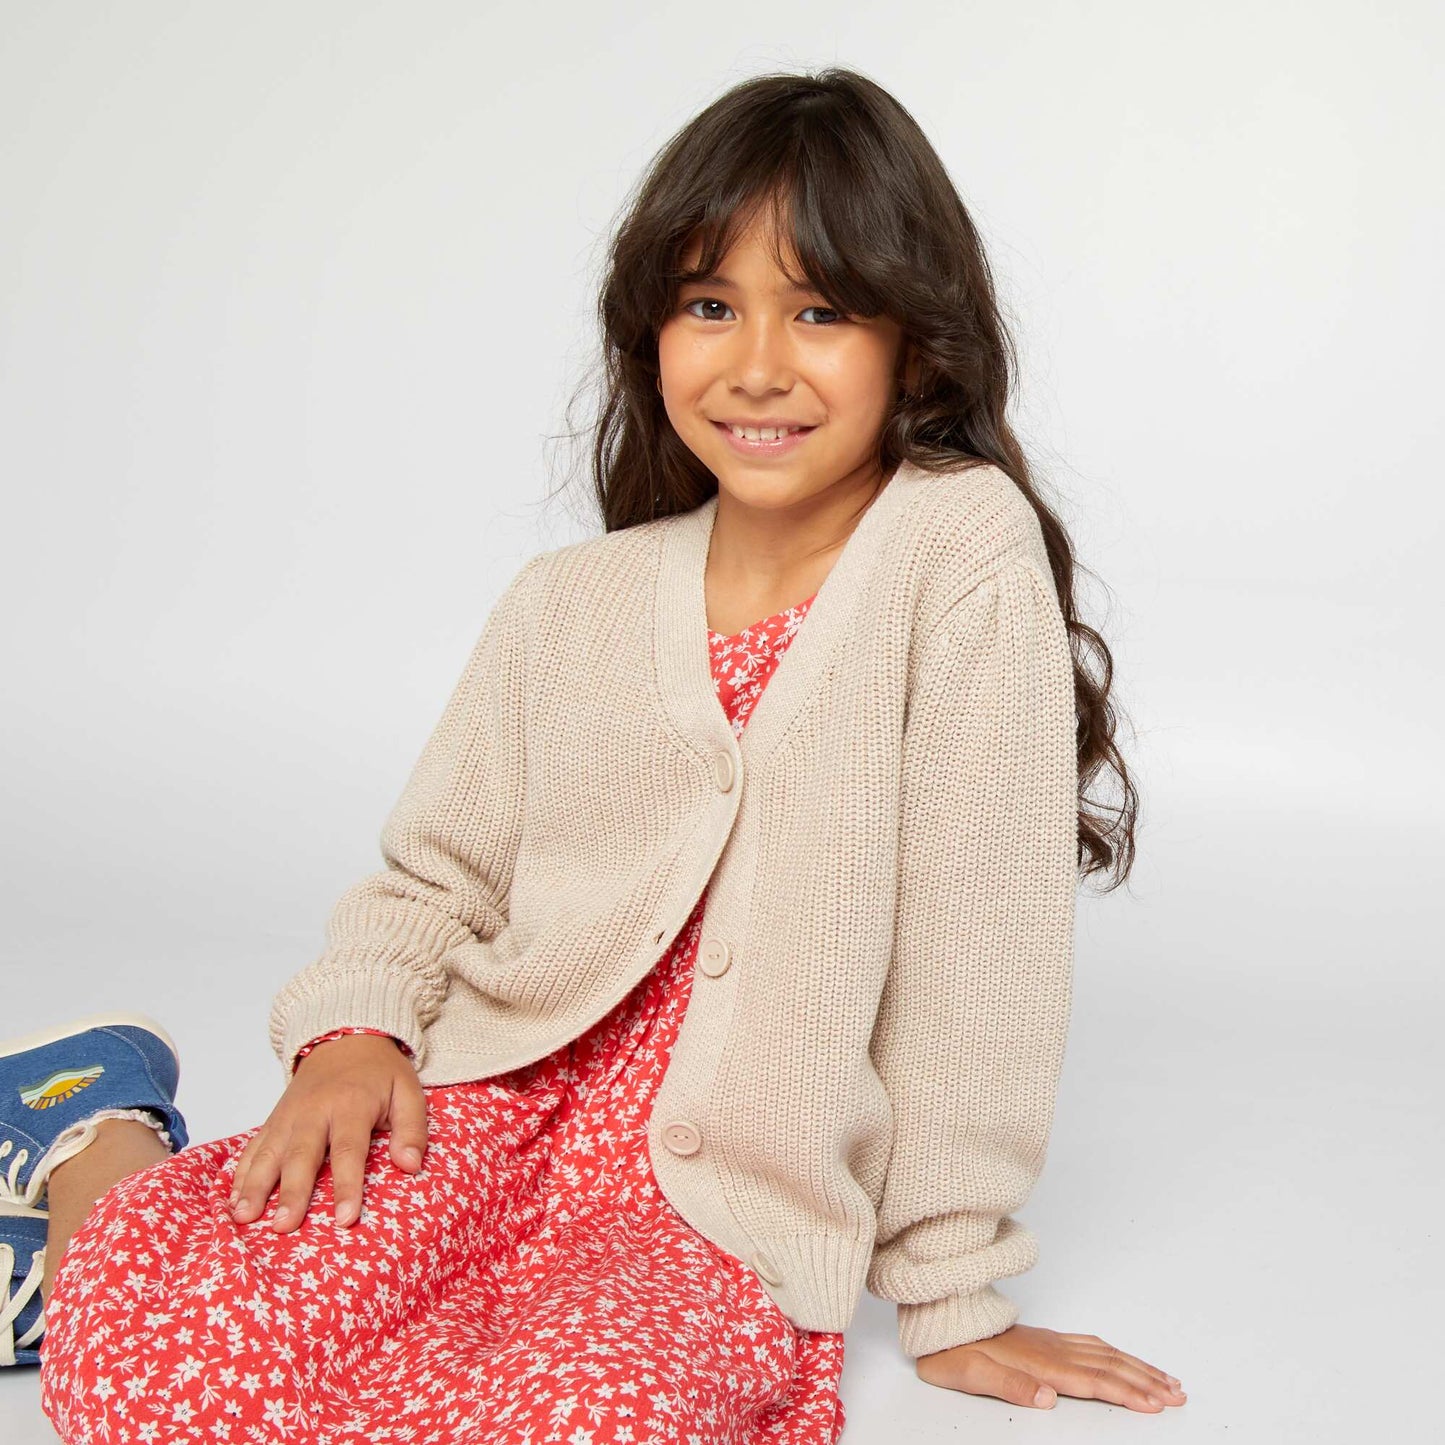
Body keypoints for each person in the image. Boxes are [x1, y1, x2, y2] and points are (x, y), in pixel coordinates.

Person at [1, 66, 1185, 1442]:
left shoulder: (953, 546)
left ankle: (84, 1189)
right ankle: (92, 1125)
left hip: (707, 1207)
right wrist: (351, 1033)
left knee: (578, 1420)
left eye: (819, 311)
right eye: (709, 306)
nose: (756, 364)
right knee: (155, 1368)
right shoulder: (570, 601)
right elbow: (437, 874)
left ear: (914, 345)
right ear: (650, 331)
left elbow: (975, 955)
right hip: (486, 1112)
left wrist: (949, 1289)